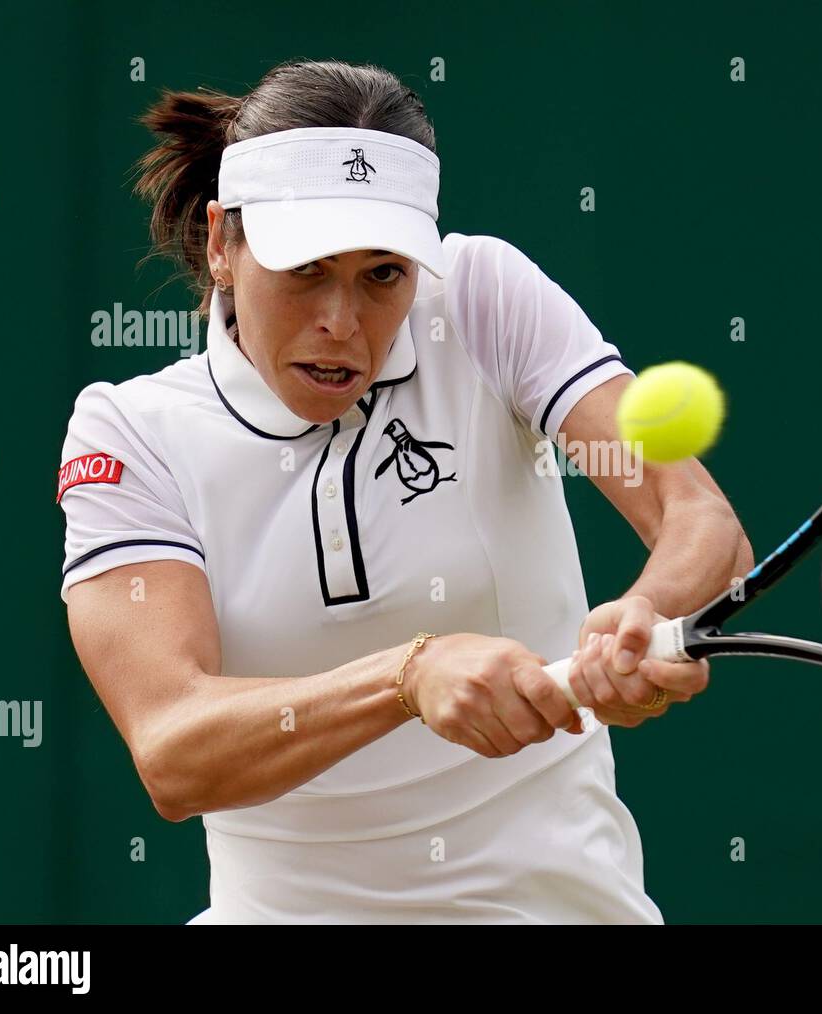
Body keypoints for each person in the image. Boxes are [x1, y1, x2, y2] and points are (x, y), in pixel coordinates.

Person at [58, 59, 752, 924]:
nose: (343, 323)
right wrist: (408, 676)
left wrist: (649, 612)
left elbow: (700, 520)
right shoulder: (130, 433)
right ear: (220, 246)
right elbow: (173, 750)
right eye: (307, 268)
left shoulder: (481, 299)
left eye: (383, 274)